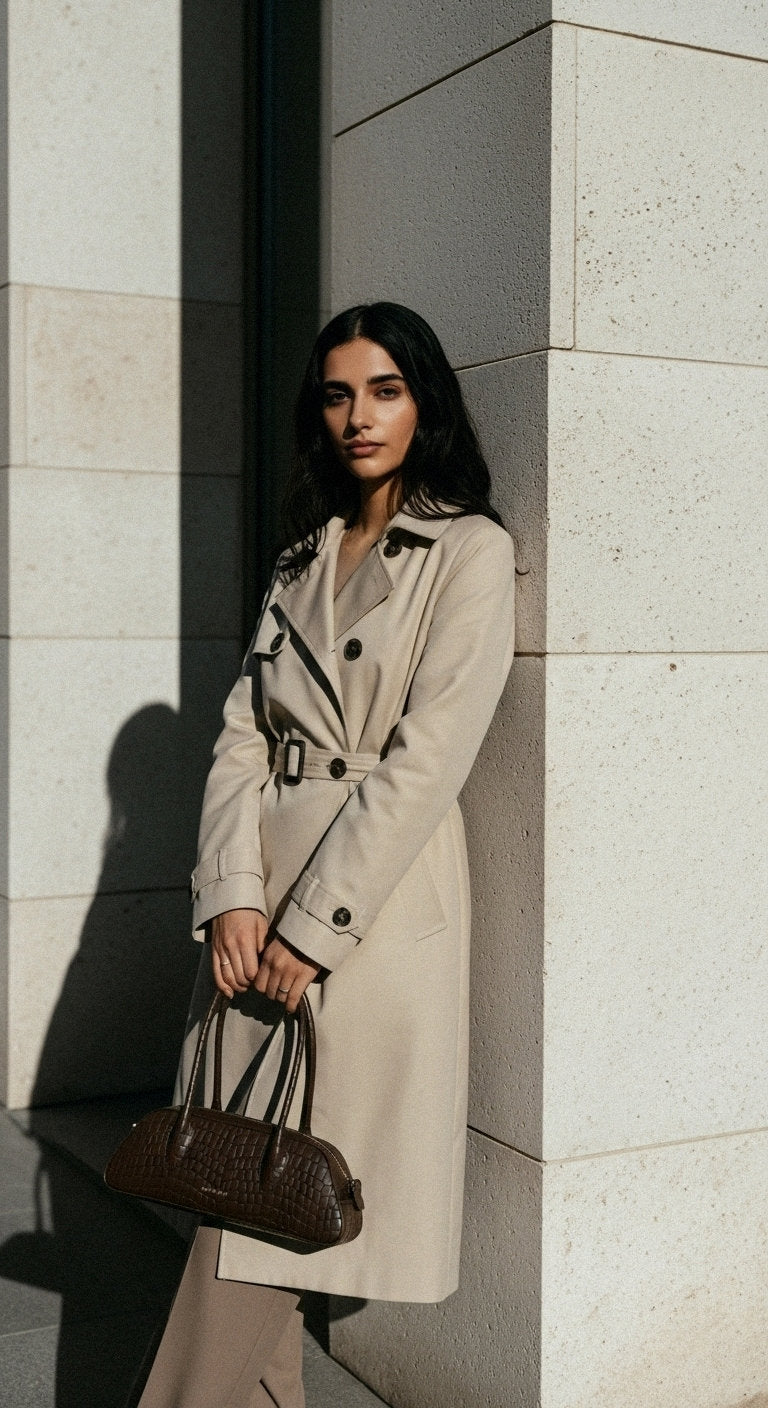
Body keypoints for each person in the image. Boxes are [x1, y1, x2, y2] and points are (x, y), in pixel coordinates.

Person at [132, 302, 516, 1407]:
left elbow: (429, 758)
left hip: (370, 921)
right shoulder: (301, 556)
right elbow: (239, 737)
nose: (360, 415)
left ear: (425, 400)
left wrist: (312, 923)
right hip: (258, 922)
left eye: (386, 389)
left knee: (261, 1221)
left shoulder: (469, 552)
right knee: (245, 1200)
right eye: (340, 393)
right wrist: (233, 897)